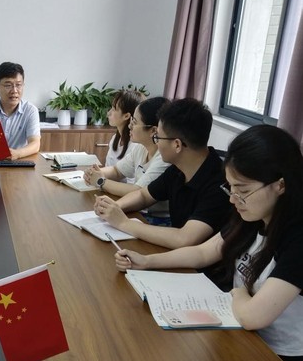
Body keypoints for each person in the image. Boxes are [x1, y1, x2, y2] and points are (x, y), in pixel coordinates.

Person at [114, 125, 303, 361]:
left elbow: (253, 316)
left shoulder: (296, 237)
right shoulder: (253, 216)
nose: (233, 199)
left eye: (243, 191)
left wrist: (238, 293)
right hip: (240, 335)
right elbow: (204, 252)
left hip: (282, 360)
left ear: (280, 185)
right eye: (230, 188)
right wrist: (147, 261)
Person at [94, 98, 230, 249]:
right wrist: (113, 207)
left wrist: (123, 223)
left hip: (195, 260)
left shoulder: (220, 183)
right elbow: (144, 195)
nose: (156, 142)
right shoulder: (178, 168)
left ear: (177, 145)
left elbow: (184, 238)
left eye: (157, 137)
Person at [84, 96, 171, 220]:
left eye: (134, 122)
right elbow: (117, 171)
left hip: (156, 218)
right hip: (137, 211)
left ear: (153, 130)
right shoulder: (141, 148)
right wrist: (93, 173)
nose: (129, 126)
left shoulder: (164, 158)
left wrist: (101, 181)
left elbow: (138, 191)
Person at [102, 89, 145, 167]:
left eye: (114, 109)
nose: (109, 113)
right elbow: (107, 167)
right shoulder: (115, 139)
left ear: (126, 116)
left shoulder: (135, 146)